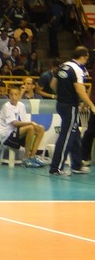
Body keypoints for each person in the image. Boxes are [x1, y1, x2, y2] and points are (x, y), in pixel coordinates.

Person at [49, 46, 95, 175]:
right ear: (84, 56)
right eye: (87, 57)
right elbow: (80, 90)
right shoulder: (78, 69)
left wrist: (61, 94)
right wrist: (91, 105)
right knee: (66, 136)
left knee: (74, 133)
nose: (87, 60)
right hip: (71, 107)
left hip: (61, 104)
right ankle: (56, 168)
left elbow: (53, 85)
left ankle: (77, 165)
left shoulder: (63, 66)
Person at [0, 85, 46, 168]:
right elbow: (15, 123)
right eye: (11, 94)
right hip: (7, 136)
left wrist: (33, 124)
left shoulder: (21, 105)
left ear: (19, 95)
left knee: (41, 128)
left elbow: (24, 122)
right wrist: (31, 123)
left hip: (17, 133)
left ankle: (32, 156)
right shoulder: (7, 106)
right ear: (8, 96)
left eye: (16, 94)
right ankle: (26, 158)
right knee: (30, 127)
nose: (13, 97)